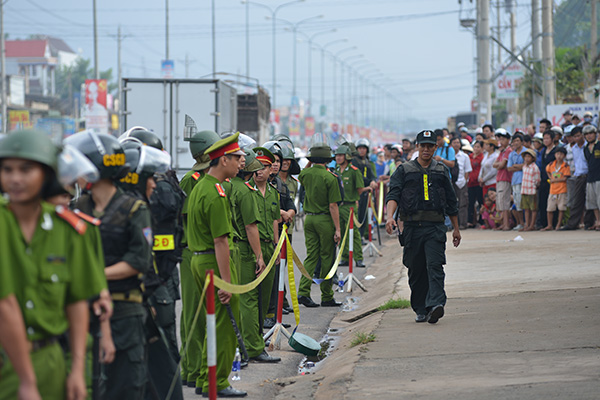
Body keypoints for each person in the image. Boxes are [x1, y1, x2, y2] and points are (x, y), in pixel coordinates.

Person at [0, 130, 107, 400]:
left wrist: (77, 371)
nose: (15, 179)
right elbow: (5, 305)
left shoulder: (69, 230)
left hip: (50, 360)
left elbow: (77, 302)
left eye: (26, 170)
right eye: (7, 169)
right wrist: (26, 380)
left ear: (47, 175)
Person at [68, 130, 154, 399]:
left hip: (124, 310)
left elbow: (139, 261)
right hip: (85, 308)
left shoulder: (134, 209)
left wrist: (93, 275)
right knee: (89, 384)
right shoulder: (78, 208)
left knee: (126, 384)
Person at [186, 132, 247, 398]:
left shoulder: (201, 185)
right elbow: (221, 241)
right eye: (237, 158)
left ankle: (204, 377)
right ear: (223, 160)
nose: (241, 162)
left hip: (199, 261)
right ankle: (219, 381)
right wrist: (226, 283)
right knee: (223, 324)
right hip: (214, 262)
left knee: (208, 321)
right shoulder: (217, 193)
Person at [385, 130, 460, 324]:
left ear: (436, 147)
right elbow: (393, 194)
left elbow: (451, 202)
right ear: (417, 147)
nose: (426, 149)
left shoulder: (442, 170)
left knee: (434, 266)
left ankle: (436, 304)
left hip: (435, 227)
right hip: (411, 228)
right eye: (423, 145)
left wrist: (456, 229)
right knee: (416, 269)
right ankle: (421, 308)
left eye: (430, 146)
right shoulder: (404, 170)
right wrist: (389, 217)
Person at [178, 129, 221, 389]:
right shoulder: (191, 180)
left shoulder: (210, 178)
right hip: (192, 252)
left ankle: (206, 366)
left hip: (206, 252)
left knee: (208, 312)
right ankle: (192, 369)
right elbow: (184, 220)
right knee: (193, 312)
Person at [238, 147, 282, 363]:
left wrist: (276, 246)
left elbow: (275, 219)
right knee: (250, 299)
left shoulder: (274, 193)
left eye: (264, 167)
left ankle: (255, 338)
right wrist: (259, 256)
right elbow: (249, 226)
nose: (260, 172)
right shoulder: (246, 190)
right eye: (258, 167)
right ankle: (252, 346)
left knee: (264, 299)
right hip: (250, 248)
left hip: (268, 248)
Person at [297, 139, 342, 308]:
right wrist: (337, 228)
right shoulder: (330, 178)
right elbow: (333, 205)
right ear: (328, 160)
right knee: (327, 258)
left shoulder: (306, 174)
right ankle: (327, 296)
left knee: (311, 256)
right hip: (324, 220)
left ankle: (303, 291)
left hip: (309, 219)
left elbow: (302, 174)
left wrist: (311, 160)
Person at [335, 144, 369, 268]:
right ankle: (344, 257)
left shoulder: (354, 171)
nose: (338, 158)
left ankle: (358, 258)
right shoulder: (336, 171)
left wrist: (368, 188)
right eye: (337, 155)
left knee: (354, 233)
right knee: (341, 232)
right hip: (338, 207)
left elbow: (359, 189)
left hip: (349, 206)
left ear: (346, 157)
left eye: (341, 155)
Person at [352, 139, 378, 239]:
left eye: (363, 148)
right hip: (358, 190)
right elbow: (358, 176)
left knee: (365, 214)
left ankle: (364, 234)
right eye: (360, 148)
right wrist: (368, 182)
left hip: (366, 190)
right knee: (358, 215)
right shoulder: (355, 161)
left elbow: (371, 175)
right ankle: (359, 236)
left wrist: (373, 181)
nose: (362, 151)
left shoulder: (367, 161)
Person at [542, 146, 570, 231]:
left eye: (561, 154)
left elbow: (565, 178)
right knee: (550, 208)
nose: (559, 156)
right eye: (557, 154)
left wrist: (555, 180)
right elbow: (547, 170)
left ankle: (558, 224)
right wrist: (550, 177)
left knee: (561, 208)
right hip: (553, 190)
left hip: (562, 189)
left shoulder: (565, 166)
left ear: (564, 156)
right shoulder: (551, 165)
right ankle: (549, 225)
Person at [492, 129, 513, 230]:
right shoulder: (502, 151)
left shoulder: (508, 150)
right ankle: (504, 223)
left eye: (503, 139)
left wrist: (499, 165)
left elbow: (501, 165)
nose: (501, 141)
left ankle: (506, 224)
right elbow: (495, 164)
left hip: (505, 177)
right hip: (500, 178)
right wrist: (499, 165)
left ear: (508, 140)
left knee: (505, 201)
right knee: (501, 201)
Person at [450, 137, 472, 229]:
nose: (456, 144)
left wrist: (464, 180)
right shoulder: (449, 155)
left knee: (463, 203)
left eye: (458, 142)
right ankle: (453, 224)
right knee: (451, 203)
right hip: (450, 182)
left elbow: (467, 170)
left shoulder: (464, 156)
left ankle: (463, 223)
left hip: (461, 182)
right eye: (454, 142)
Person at [538, 130, 558, 228]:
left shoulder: (556, 151)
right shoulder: (543, 151)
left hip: (553, 179)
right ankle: (544, 223)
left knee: (553, 202)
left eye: (547, 138)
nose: (545, 141)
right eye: (544, 139)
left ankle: (554, 223)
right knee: (543, 201)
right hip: (543, 179)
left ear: (553, 139)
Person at [507, 133, 526, 230]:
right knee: (517, 202)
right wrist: (520, 166)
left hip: (526, 179)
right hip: (515, 180)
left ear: (522, 142)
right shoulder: (512, 154)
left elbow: (527, 165)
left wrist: (516, 166)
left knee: (526, 202)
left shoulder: (526, 152)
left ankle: (527, 223)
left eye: (518, 141)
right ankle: (521, 223)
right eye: (514, 141)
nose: (516, 143)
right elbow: (509, 168)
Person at [583, 125, 600, 229]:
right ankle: (597, 221)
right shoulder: (585, 149)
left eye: (591, 133)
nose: (589, 136)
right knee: (592, 202)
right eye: (586, 134)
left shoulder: (599, 145)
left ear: (595, 134)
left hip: (599, 177)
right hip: (590, 177)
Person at [520, 149, 541, 231]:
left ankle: (532, 225)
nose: (527, 158)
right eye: (526, 157)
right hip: (524, 190)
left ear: (533, 158)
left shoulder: (535, 167)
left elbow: (537, 180)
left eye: (529, 157)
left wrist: (534, 187)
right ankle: (527, 225)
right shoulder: (524, 167)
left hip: (532, 190)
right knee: (526, 209)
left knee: (533, 209)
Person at [467, 141, 484, 228]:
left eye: (478, 147)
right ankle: (471, 221)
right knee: (470, 202)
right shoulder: (469, 157)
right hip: (470, 183)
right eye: (475, 147)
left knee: (481, 201)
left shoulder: (482, 157)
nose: (476, 149)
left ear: (481, 148)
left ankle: (482, 220)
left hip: (478, 183)